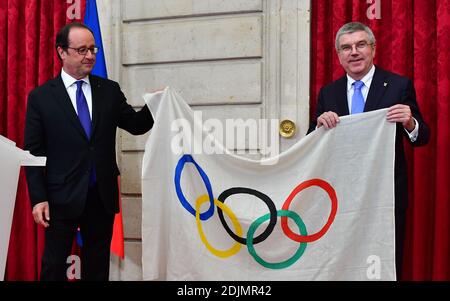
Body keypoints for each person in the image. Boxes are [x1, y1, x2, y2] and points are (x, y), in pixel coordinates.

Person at [24, 22, 154, 281]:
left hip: (100, 196)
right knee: (53, 266)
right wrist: (38, 198)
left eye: (92, 49)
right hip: (60, 198)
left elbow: (137, 126)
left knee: (97, 268)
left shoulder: (109, 90)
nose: (90, 55)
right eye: (81, 50)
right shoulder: (41, 97)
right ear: (62, 52)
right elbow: (34, 153)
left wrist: (156, 103)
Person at [307, 22, 430, 279]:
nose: (354, 52)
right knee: (343, 261)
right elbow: (313, 146)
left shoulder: (397, 86)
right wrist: (319, 126)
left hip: (385, 196)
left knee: (383, 261)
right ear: (339, 55)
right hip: (341, 198)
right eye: (346, 47)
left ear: (373, 49)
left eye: (360, 45)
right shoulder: (329, 93)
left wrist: (409, 121)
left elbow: (421, 138)